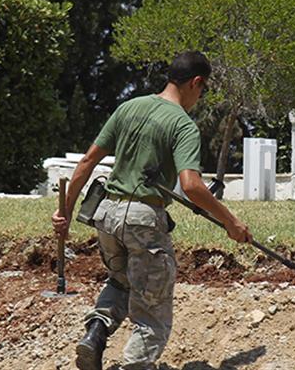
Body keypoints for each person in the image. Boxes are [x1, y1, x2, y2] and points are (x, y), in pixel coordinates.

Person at [52, 50, 252, 370]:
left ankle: (96, 332)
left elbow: (87, 162)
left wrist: (64, 211)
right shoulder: (183, 125)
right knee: (153, 314)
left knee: (121, 281)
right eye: (203, 90)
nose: (200, 97)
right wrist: (231, 221)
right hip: (143, 219)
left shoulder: (129, 107)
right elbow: (192, 186)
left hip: (107, 215)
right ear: (196, 82)